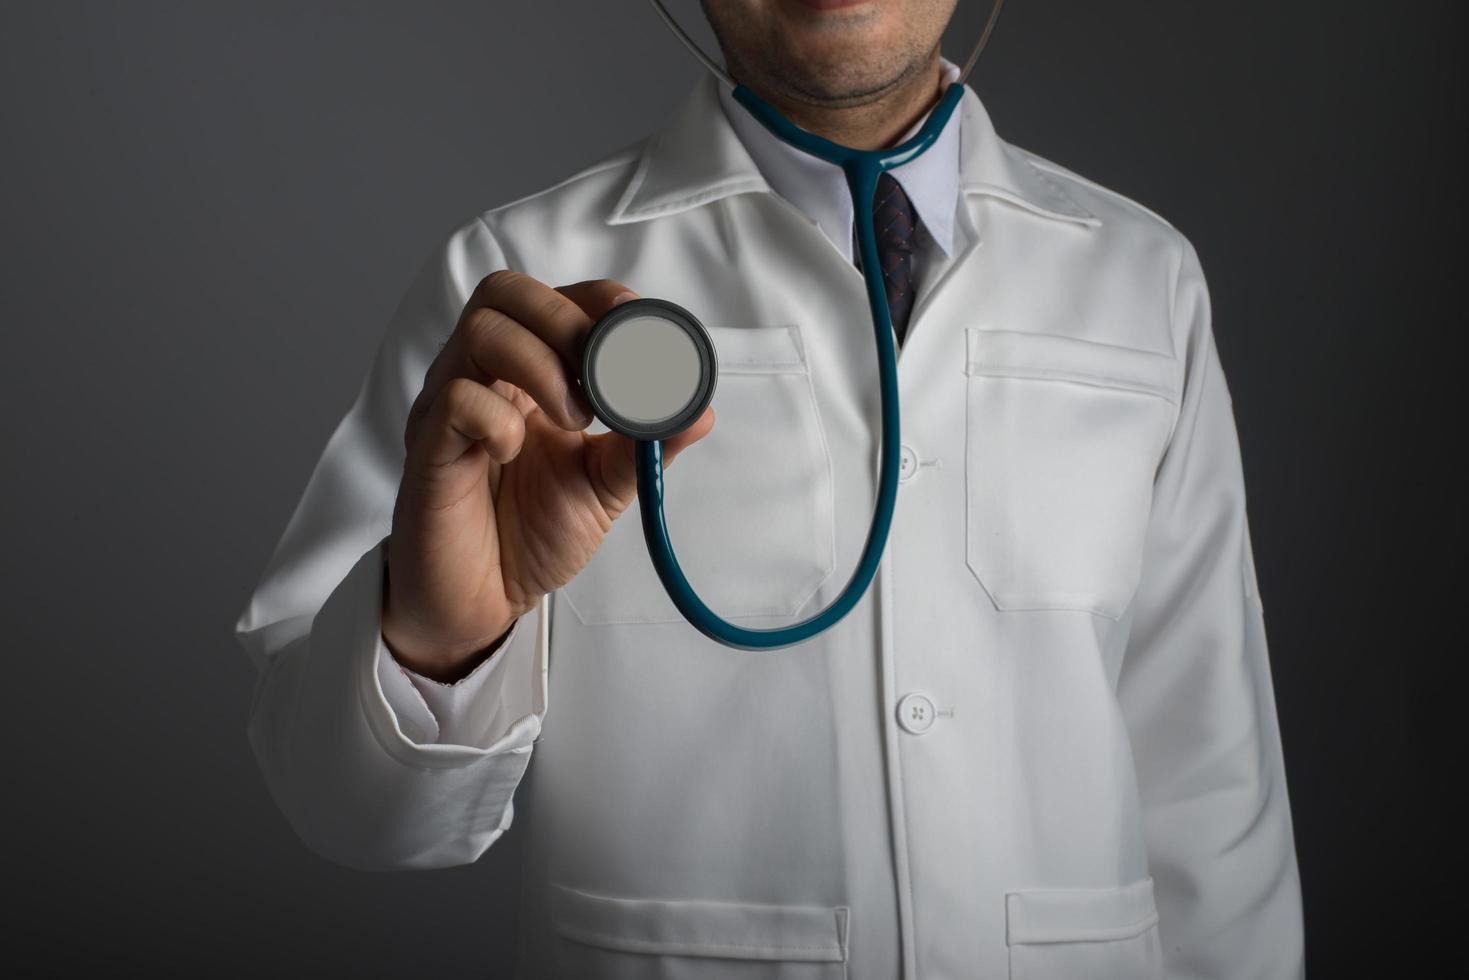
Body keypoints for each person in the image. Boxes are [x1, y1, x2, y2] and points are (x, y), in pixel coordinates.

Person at [234, 1, 1305, 976]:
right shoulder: (517, 285)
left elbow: (1213, 801)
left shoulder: (1141, 282)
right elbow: (348, 812)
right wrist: (439, 639)